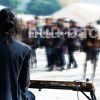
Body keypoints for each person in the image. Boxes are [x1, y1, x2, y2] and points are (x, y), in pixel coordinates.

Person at [0, 8, 35, 100]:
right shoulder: (24, 49)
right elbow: (24, 84)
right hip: (11, 97)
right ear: (15, 25)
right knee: (31, 96)